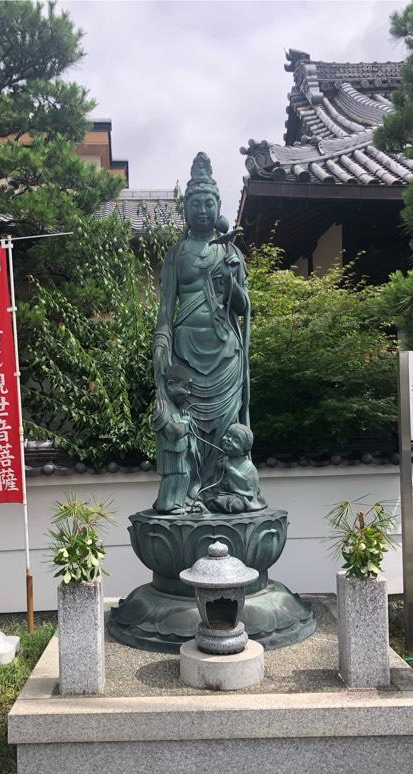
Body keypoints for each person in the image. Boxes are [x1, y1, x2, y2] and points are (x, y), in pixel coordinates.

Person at [153, 152, 250, 497]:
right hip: (185, 354)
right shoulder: (176, 254)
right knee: (187, 425)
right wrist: (160, 345)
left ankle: (225, 488)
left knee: (226, 426)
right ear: (186, 210)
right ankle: (190, 490)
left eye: (209, 204)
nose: (203, 211)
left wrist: (231, 281)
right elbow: (165, 310)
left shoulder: (231, 253)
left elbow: (243, 307)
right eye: (196, 204)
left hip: (225, 353)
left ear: (218, 207)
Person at [153, 364, 200, 514]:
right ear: (171, 385)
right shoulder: (162, 407)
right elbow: (173, 432)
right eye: (185, 387)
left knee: (184, 476)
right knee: (174, 478)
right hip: (170, 454)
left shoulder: (176, 407)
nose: (188, 392)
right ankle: (166, 505)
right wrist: (185, 421)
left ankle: (176, 504)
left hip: (180, 454)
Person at [203, 423, 266, 514]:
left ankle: (213, 502)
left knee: (237, 505)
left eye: (236, 440)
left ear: (244, 449)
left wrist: (229, 468)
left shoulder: (248, 466)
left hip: (241, 497)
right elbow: (215, 482)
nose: (229, 440)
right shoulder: (221, 460)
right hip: (223, 494)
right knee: (207, 494)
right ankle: (212, 502)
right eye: (228, 435)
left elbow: (248, 487)